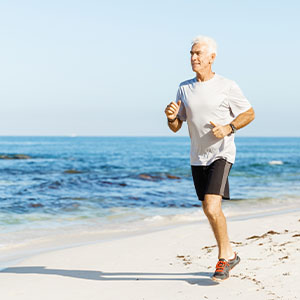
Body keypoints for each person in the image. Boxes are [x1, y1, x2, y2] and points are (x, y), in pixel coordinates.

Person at [164, 35, 255, 282]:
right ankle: (231, 254)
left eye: (198, 54)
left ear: (212, 57)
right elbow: (176, 126)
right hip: (197, 157)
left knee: (211, 206)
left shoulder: (227, 86)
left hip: (221, 153)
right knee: (209, 209)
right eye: (191, 54)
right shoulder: (184, 87)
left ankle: (224, 257)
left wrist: (229, 128)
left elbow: (249, 113)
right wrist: (171, 116)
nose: (193, 58)